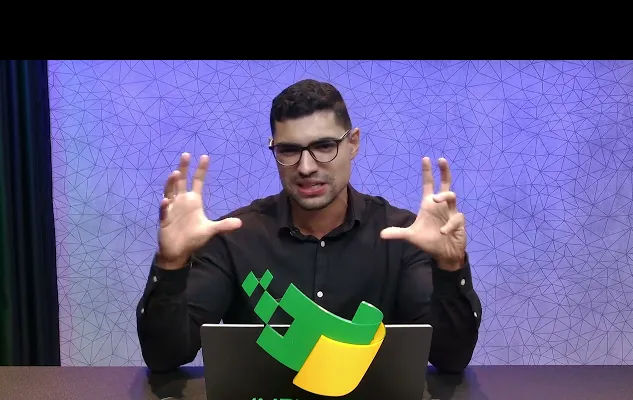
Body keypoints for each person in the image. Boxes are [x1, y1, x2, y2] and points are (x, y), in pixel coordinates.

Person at [136, 79, 482, 374]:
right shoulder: (234, 237)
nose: (305, 167)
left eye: (324, 146)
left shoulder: (401, 236)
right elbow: (165, 357)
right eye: (289, 150)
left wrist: (451, 266)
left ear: (353, 143)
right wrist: (171, 263)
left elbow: (450, 359)